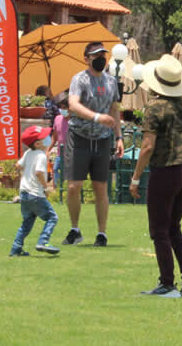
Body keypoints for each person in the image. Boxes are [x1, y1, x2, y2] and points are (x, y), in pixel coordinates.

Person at [130, 54, 182, 297]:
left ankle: (167, 284)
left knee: (159, 230)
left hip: (165, 172)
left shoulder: (154, 108)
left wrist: (136, 177)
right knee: (174, 228)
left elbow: (147, 146)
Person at [62, 41, 122, 247]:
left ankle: (102, 233)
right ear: (86, 58)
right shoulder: (79, 79)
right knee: (73, 186)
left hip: (103, 140)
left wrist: (119, 137)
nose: (101, 59)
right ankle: (75, 229)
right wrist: (97, 117)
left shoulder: (111, 82)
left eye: (103, 55)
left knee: (101, 187)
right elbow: (73, 105)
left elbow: (115, 109)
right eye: (96, 55)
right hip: (78, 137)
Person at [9, 126, 60, 257]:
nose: (48, 139)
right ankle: (43, 241)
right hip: (36, 194)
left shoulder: (28, 153)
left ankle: (16, 249)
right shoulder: (41, 156)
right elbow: (38, 172)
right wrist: (46, 187)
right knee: (52, 217)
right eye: (45, 138)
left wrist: (26, 172)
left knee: (27, 222)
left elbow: (18, 165)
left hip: (24, 193)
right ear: (37, 143)